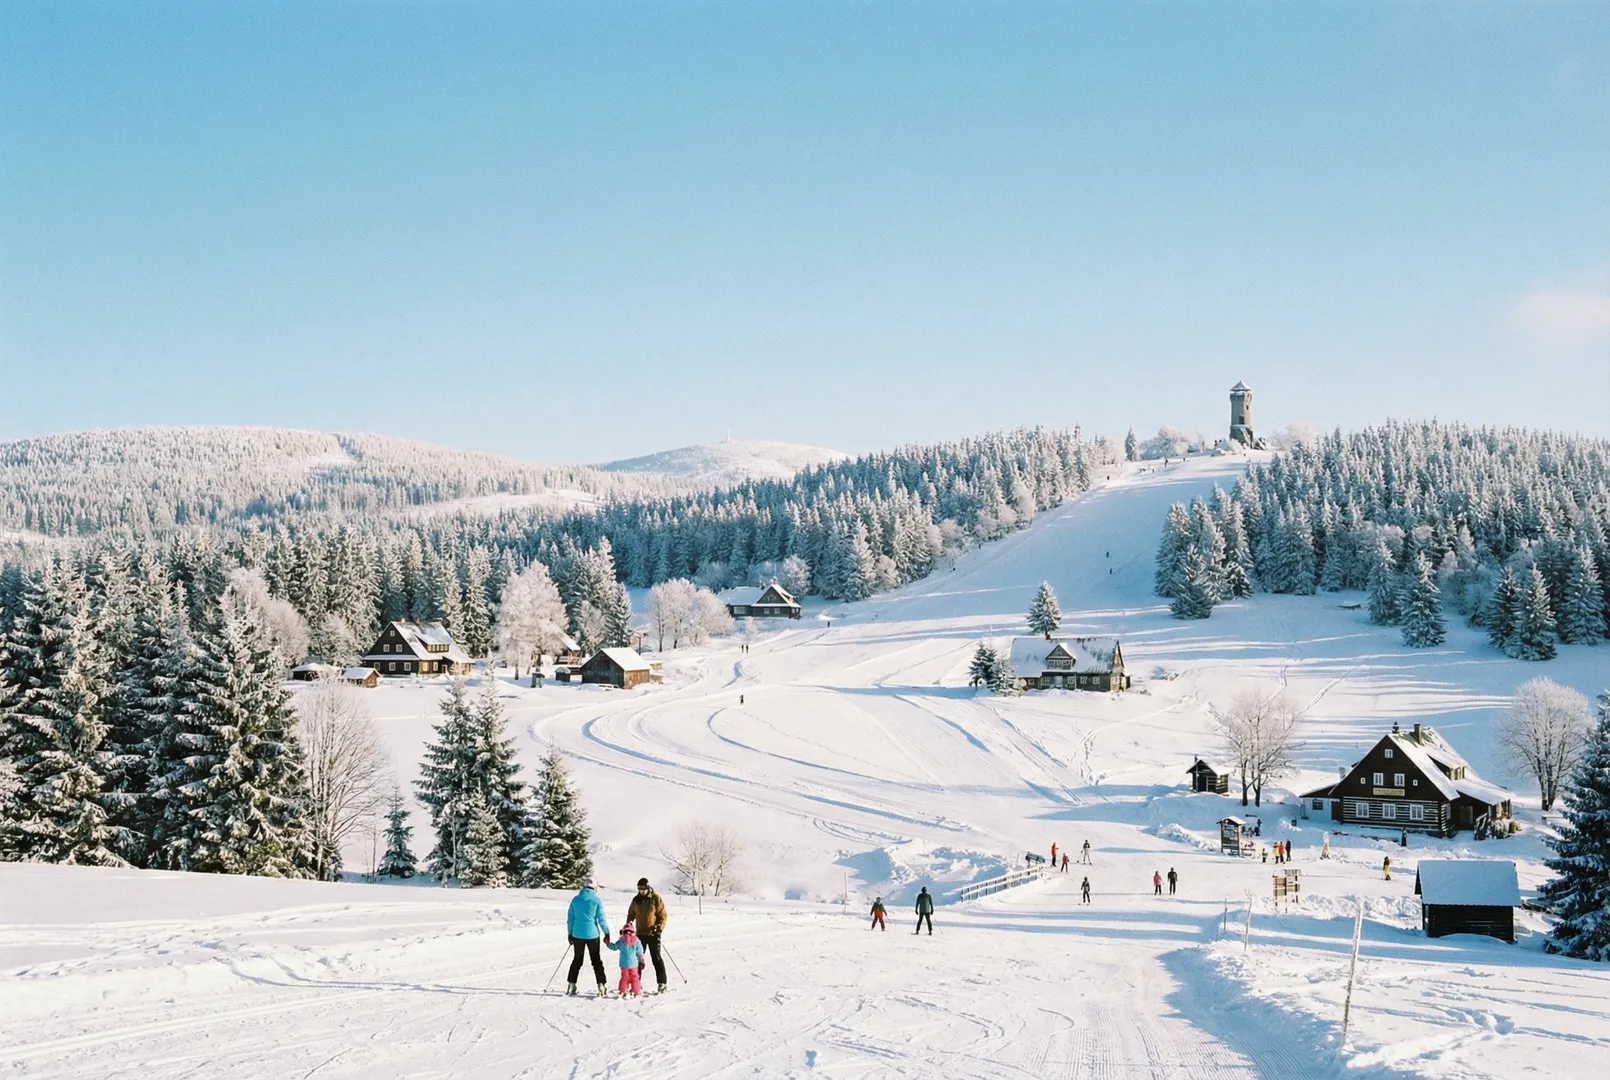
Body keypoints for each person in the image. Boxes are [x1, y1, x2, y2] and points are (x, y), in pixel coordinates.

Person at [566, 880, 611, 997]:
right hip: (592, 934)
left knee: (577, 959)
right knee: (596, 960)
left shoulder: (575, 900)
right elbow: (601, 919)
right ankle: (601, 985)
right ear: (594, 888)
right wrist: (606, 932)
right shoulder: (596, 901)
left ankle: (571, 984)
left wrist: (570, 933)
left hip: (577, 934)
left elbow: (570, 918)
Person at [626, 877, 670, 994]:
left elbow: (663, 915)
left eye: (644, 889)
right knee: (637, 960)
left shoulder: (655, 899)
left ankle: (662, 983)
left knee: (656, 958)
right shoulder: (636, 900)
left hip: (653, 933)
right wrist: (629, 927)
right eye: (640, 889)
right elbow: (631, 914)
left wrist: (659, 927)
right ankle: (636, 984)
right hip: (640, 934)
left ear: (648, 888)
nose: (642, 891)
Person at [607, 923, 644, 998]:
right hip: (634, 964)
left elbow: (614, 947)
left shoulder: (621, 941)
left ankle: (623, 990)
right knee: (635, 977)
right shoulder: (636, 941)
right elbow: (640, 951)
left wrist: (608, 943)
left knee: (624, 977)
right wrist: (641, 960)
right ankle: (636, 991)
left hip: (624, 964)